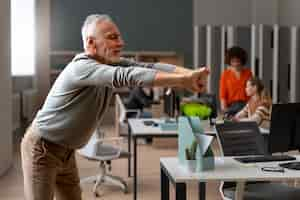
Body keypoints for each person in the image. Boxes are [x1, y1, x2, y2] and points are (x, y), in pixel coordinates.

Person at [21, 14, 209, 200]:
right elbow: (127, 76)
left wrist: (189, 75)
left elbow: (148, 67)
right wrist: (183, 80)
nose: (121, 43)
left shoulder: (109, 63)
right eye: (112, 37)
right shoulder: (82, 67)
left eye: (119, 37)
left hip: (66, 150)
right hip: (42, 148)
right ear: (91, 43)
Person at [219, 46, 252, 117]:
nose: (236, 64)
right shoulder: (225, 75)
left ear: (242, 61)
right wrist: (224, 112)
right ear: (229, 62)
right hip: (231, 107)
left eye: (238, 61)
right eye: (233, 61)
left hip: (245, 106)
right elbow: (223, 95)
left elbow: (251, 93)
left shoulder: (248, 73)